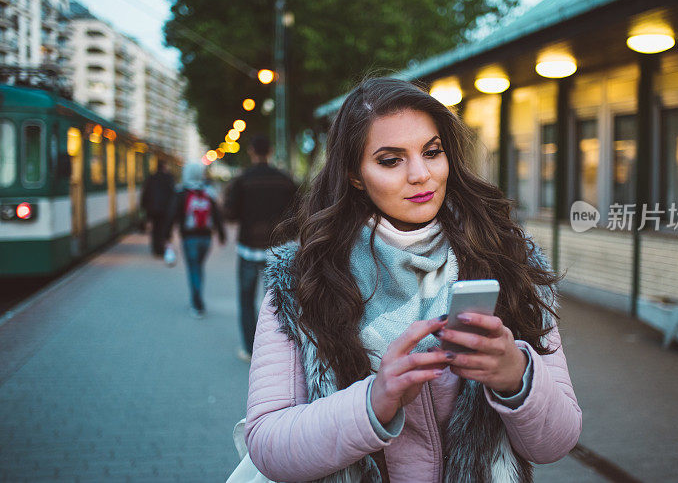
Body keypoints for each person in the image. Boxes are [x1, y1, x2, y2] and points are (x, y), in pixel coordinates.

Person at [241, 78, 582, 482]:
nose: (421, 175)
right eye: (391, 160)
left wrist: (517, 376)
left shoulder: (509, 260)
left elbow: (556, 443)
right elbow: (267, 444)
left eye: (432, 152)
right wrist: (374, 402)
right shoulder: (304, 277)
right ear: (354, 174)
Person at [224, 134, 297, 362]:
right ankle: (276, 352)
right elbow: (298, 213)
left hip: (248, 248)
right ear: (271, 151)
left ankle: (248, 348)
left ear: (251, 151)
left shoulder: (242, 180)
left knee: (246, 300)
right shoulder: (285, 180)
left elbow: (230, 215)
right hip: (276, 251)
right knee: (276, 302)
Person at [164, 162, 226, 318]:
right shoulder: (209, 192)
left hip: (189, 238)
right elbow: (218, 216)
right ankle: (197, 298)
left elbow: (171, 215)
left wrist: (167, 235)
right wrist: (221, 235)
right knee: (199, 267)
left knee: (193, 269)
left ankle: (197, 304)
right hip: (206, 239)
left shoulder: (181, 193)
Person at [140, 159, 175, 256]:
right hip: (165, 209)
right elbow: (172, 194)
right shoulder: (169, 178)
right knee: (163, 228)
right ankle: (162, 248)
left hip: (152, 209)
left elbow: (145, 193)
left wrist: (143, 207)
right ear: (164, 167)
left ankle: (156, 249)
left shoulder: (151, 178)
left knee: (155, 229)